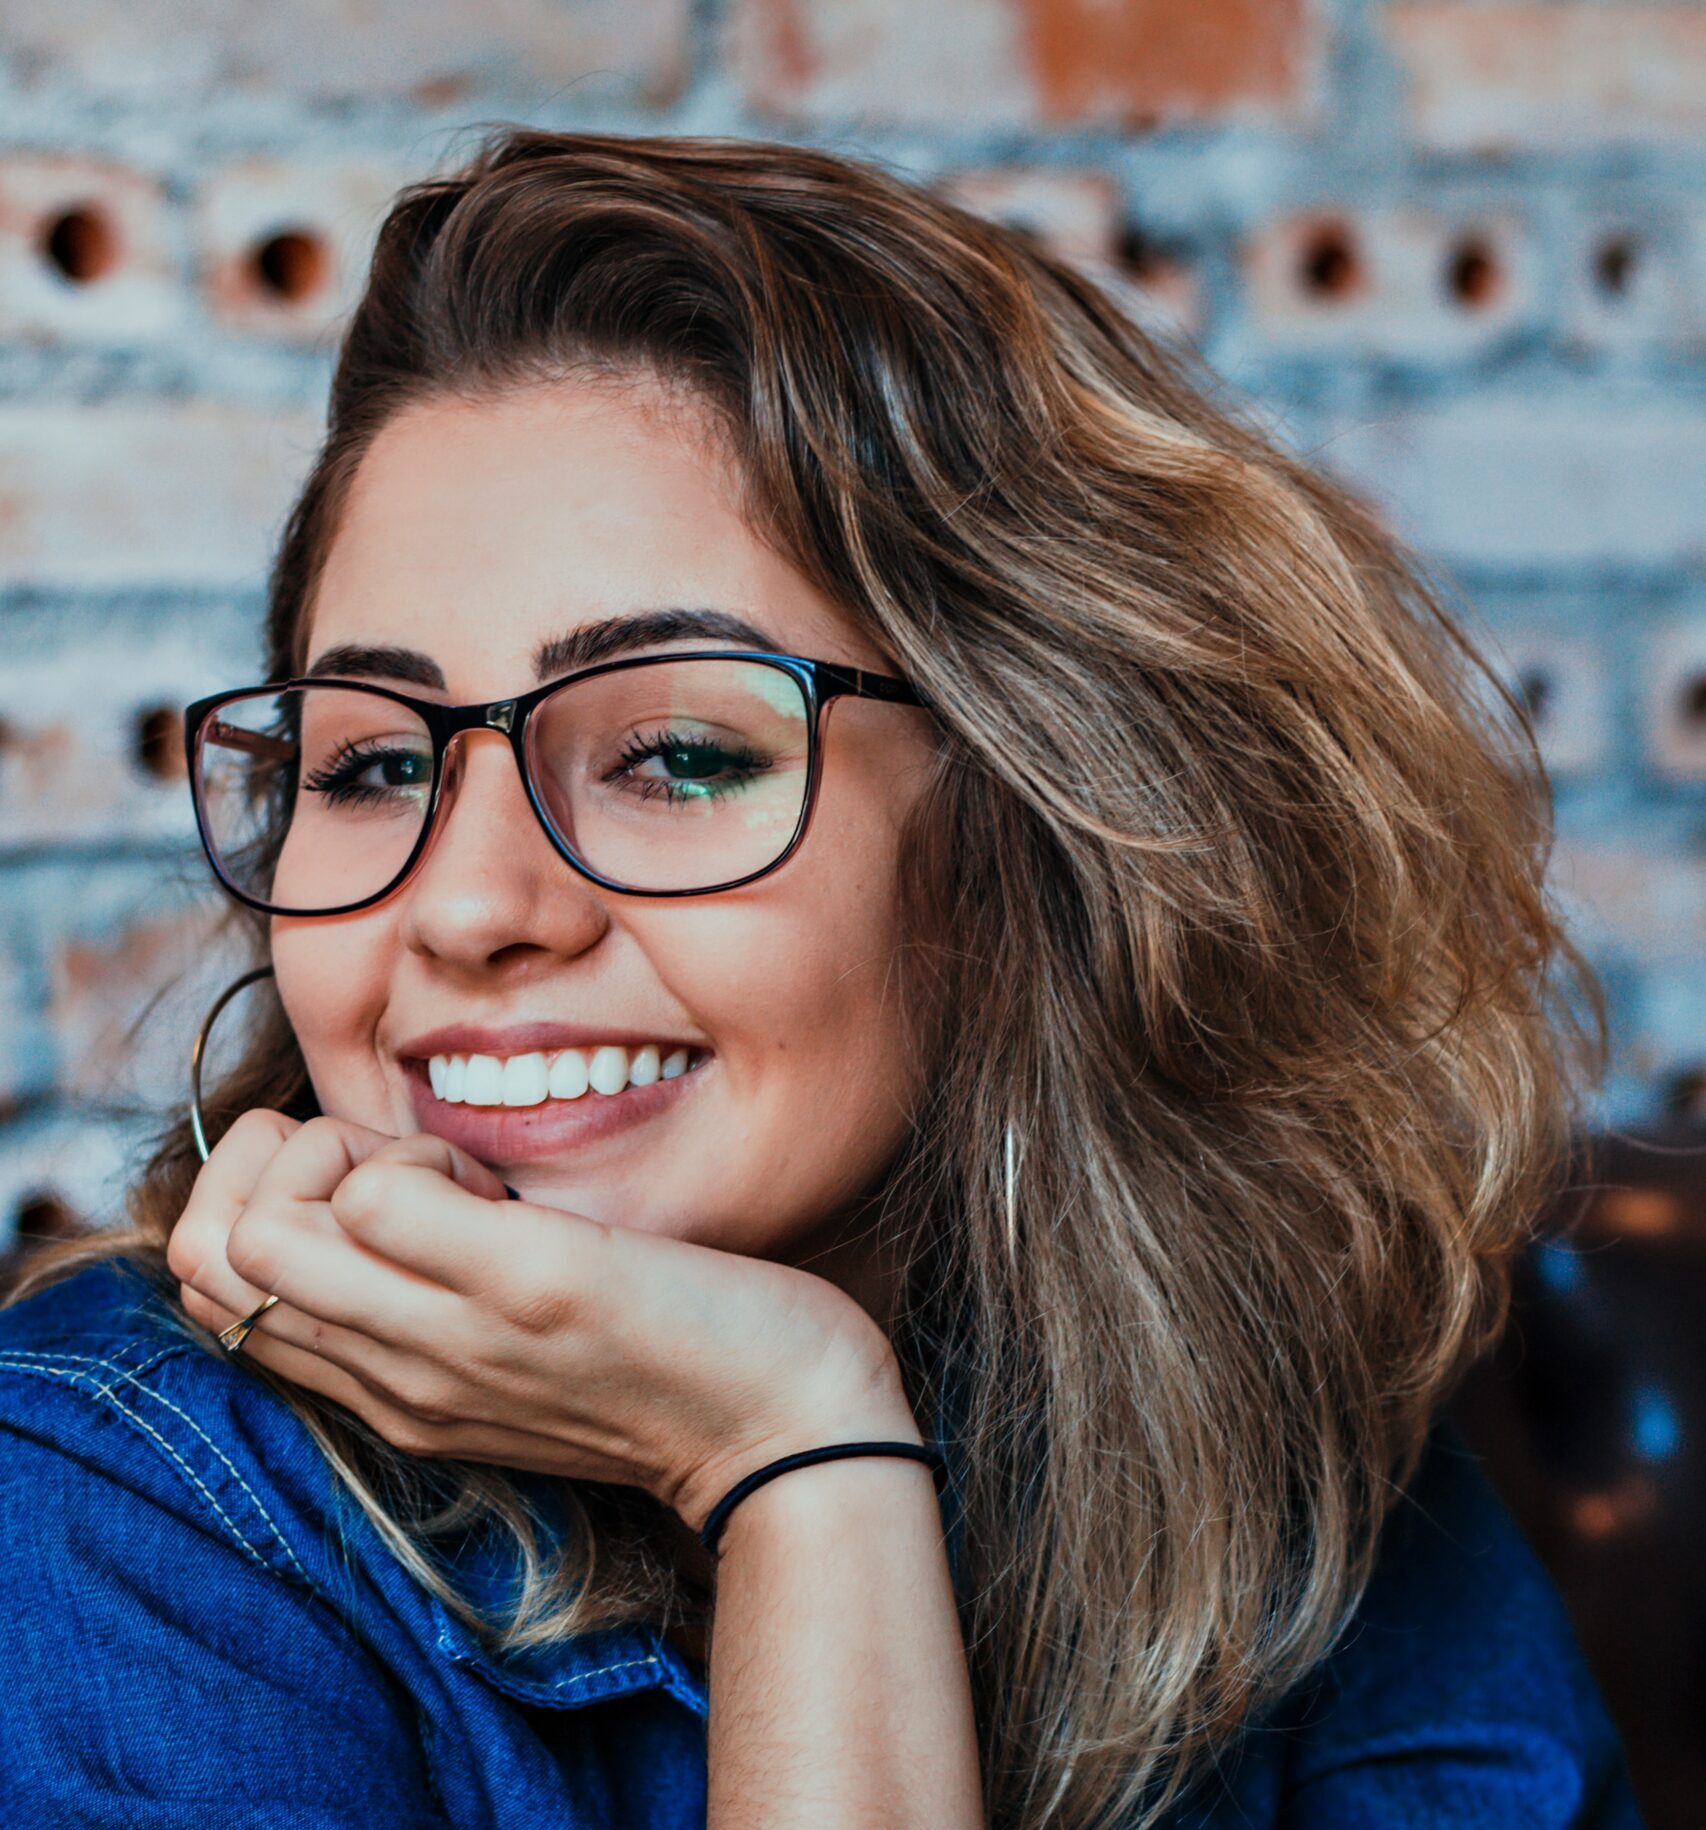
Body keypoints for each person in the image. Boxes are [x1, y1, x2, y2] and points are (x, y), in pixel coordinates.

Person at [0, 129, 1645, 1829]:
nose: (469, 905)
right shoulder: (110, 1506)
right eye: (370, 765)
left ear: (1037, 827)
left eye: (675, 752)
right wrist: (800, 1467)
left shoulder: (1261, 1444)